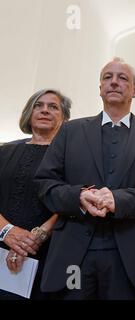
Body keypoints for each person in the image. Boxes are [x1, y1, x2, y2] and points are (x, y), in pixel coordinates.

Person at [35, 57, 135, 300]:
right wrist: (78, 196)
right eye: (107, 77)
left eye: (122, 78)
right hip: (73, 254)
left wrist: (118, 200)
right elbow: (45, 182)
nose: (114, 82)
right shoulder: (70, 131)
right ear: (100, 87)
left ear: (134, 91)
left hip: (129, 256)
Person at [0, 89, 71, 299]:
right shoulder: (4, 152)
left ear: (65, 119)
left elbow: (73, 201)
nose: (45, 110)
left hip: (48, 252)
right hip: (2, 244)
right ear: (28, 113)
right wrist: (7, 232)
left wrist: (36, 237)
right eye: (38, 105)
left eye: (53, 107)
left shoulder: (72, 156)